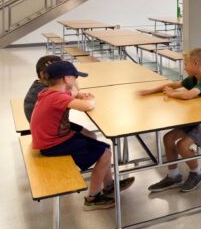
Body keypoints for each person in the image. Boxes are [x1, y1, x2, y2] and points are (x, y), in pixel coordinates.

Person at [29, 61, 131, 210]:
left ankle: (109, 186)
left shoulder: (49, 93)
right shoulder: (57, 97)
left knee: (103, 147)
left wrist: (79, 94)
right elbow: (88, 106)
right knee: (105, 153)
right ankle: (92, 198)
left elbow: (72, 94)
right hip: (53, 144)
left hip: (51, 139)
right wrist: (89, 99)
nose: (77, 80)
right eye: (75, 77)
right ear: (66, 79)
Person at [141, 48, 201, 194]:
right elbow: (174, 85)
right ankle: (173, 176)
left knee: (183, 145)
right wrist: (149, 91)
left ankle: (196, 173)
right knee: (168, 138)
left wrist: (172, 94)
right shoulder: (194, 78)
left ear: (196, 64)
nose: (184, 67)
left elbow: (188, 95)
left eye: (186, 64)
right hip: (200, 116)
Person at [24, 54, 97, 141]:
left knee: (91, 135)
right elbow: (78, 97)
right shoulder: (49, 92)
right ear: (43, 74)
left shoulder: (48, 86)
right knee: (91, 137)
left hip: (55, 126)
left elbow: (75, 92)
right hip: (51, 134)